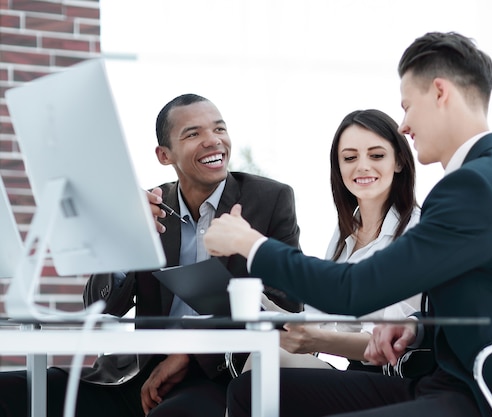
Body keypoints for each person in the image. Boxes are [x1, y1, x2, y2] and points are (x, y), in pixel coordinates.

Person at [204, 32, 492, 417]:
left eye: (408, 106)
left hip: (489, 401)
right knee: (252, 389)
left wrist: (250, 243)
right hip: (447, 386)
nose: (404, 125)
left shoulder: (477, 187)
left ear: (440, 92)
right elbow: (490, 298)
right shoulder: (485, 179)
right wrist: (418, 326)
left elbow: (353, 291)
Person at [0, 93, 301, 417]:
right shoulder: (150, 207)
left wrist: (189, 349)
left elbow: (287, 303)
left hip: (217, 374)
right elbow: (101, 308)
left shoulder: (269, 199)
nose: (213, 141)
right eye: (193, 134)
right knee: (12, 392)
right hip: (135, 372)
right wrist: (124, 238)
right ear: (164, 154)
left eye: (219, 129)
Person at [254, 109, 421, 373]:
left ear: (399, 161)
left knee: (264, 364)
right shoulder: (347, 232)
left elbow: (385, 344)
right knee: (258, 360)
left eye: (376, 155)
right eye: (350, 157)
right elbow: (318, 321)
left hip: (391, 376)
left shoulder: (414, 231)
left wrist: (313, 339)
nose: (362, 166)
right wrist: (262, 306)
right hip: (355, 372)